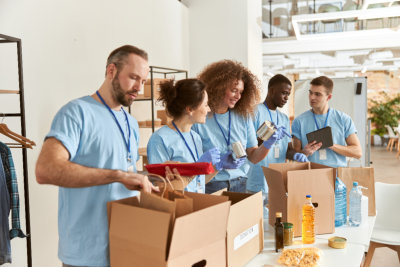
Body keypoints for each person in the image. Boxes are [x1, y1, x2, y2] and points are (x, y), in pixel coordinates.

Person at [35, 45, 158, 267]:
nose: (139, 87)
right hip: (85, 256)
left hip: (126, 246)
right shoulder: (76, 112)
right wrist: (119, 175)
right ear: (111, 71)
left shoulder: (130, 122)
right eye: (133, 77)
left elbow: (120, 170)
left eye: (144, 81)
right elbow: (45, 170)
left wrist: (147, 177)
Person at [193, 60, 288, 194]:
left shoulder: (243, 117)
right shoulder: (200, 118)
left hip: (240, 183)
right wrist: (218, 165)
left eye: (241, 92)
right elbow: (194, 164)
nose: (238, 96)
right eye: (234, 90)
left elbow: (253, 157)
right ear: (218, 87)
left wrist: (268, 143)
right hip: (211, 186)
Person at [147, 79, 221, 193]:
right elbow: (160, 187)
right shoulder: (160, 139)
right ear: (190, 109)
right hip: (177, 206)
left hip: (197, 203)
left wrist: (218, 167)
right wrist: (197, 166)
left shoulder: (195, 137)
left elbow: (198, 181)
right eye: (206, 105)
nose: (209, 109)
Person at [247, 74, 308, 201]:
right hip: (257, 181)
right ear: (272, 90)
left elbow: (287, 149)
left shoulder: (284, 119)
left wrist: (296, 155)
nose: (286, 98)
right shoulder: (255, 112)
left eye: (288, 95)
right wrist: (268, 138)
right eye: (284, 93)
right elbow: (250, 147)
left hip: (276, 182)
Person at [291, 76, 362, 167]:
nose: (312, 97)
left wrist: (331, 145)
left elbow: (358, 152)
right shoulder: (299, 121)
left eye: (317, 94)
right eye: (310, 93)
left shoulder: (344, 119)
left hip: (336, 175)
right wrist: (305, 152)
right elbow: (295, 156)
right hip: (309, 174)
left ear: (328, 97)